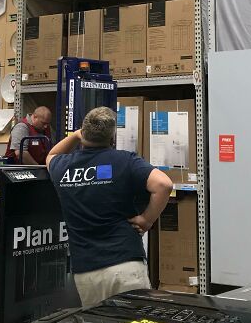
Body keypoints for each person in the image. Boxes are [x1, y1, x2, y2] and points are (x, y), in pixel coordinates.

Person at [47, 106, 173, 308]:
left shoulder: (62, 166)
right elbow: (163, 185)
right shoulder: (125, 161)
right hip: (125, 263)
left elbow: (51, 154)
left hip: (87, 271)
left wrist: (76, 136)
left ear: (83, 132)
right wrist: (146, 220)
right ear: (112, 137)